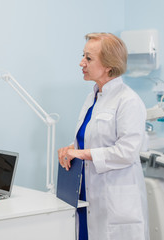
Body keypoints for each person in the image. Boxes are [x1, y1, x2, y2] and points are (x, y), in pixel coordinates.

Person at [57, 33, 149, 240]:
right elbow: (91, 140)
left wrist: (80, 153)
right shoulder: (93, 97)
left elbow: (126, 152)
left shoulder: (128, 101)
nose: (82, 62)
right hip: (86, 195)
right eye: (83, 56)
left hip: (115, 202)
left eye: (89, 58)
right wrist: (70, 149)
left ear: (109, 65)